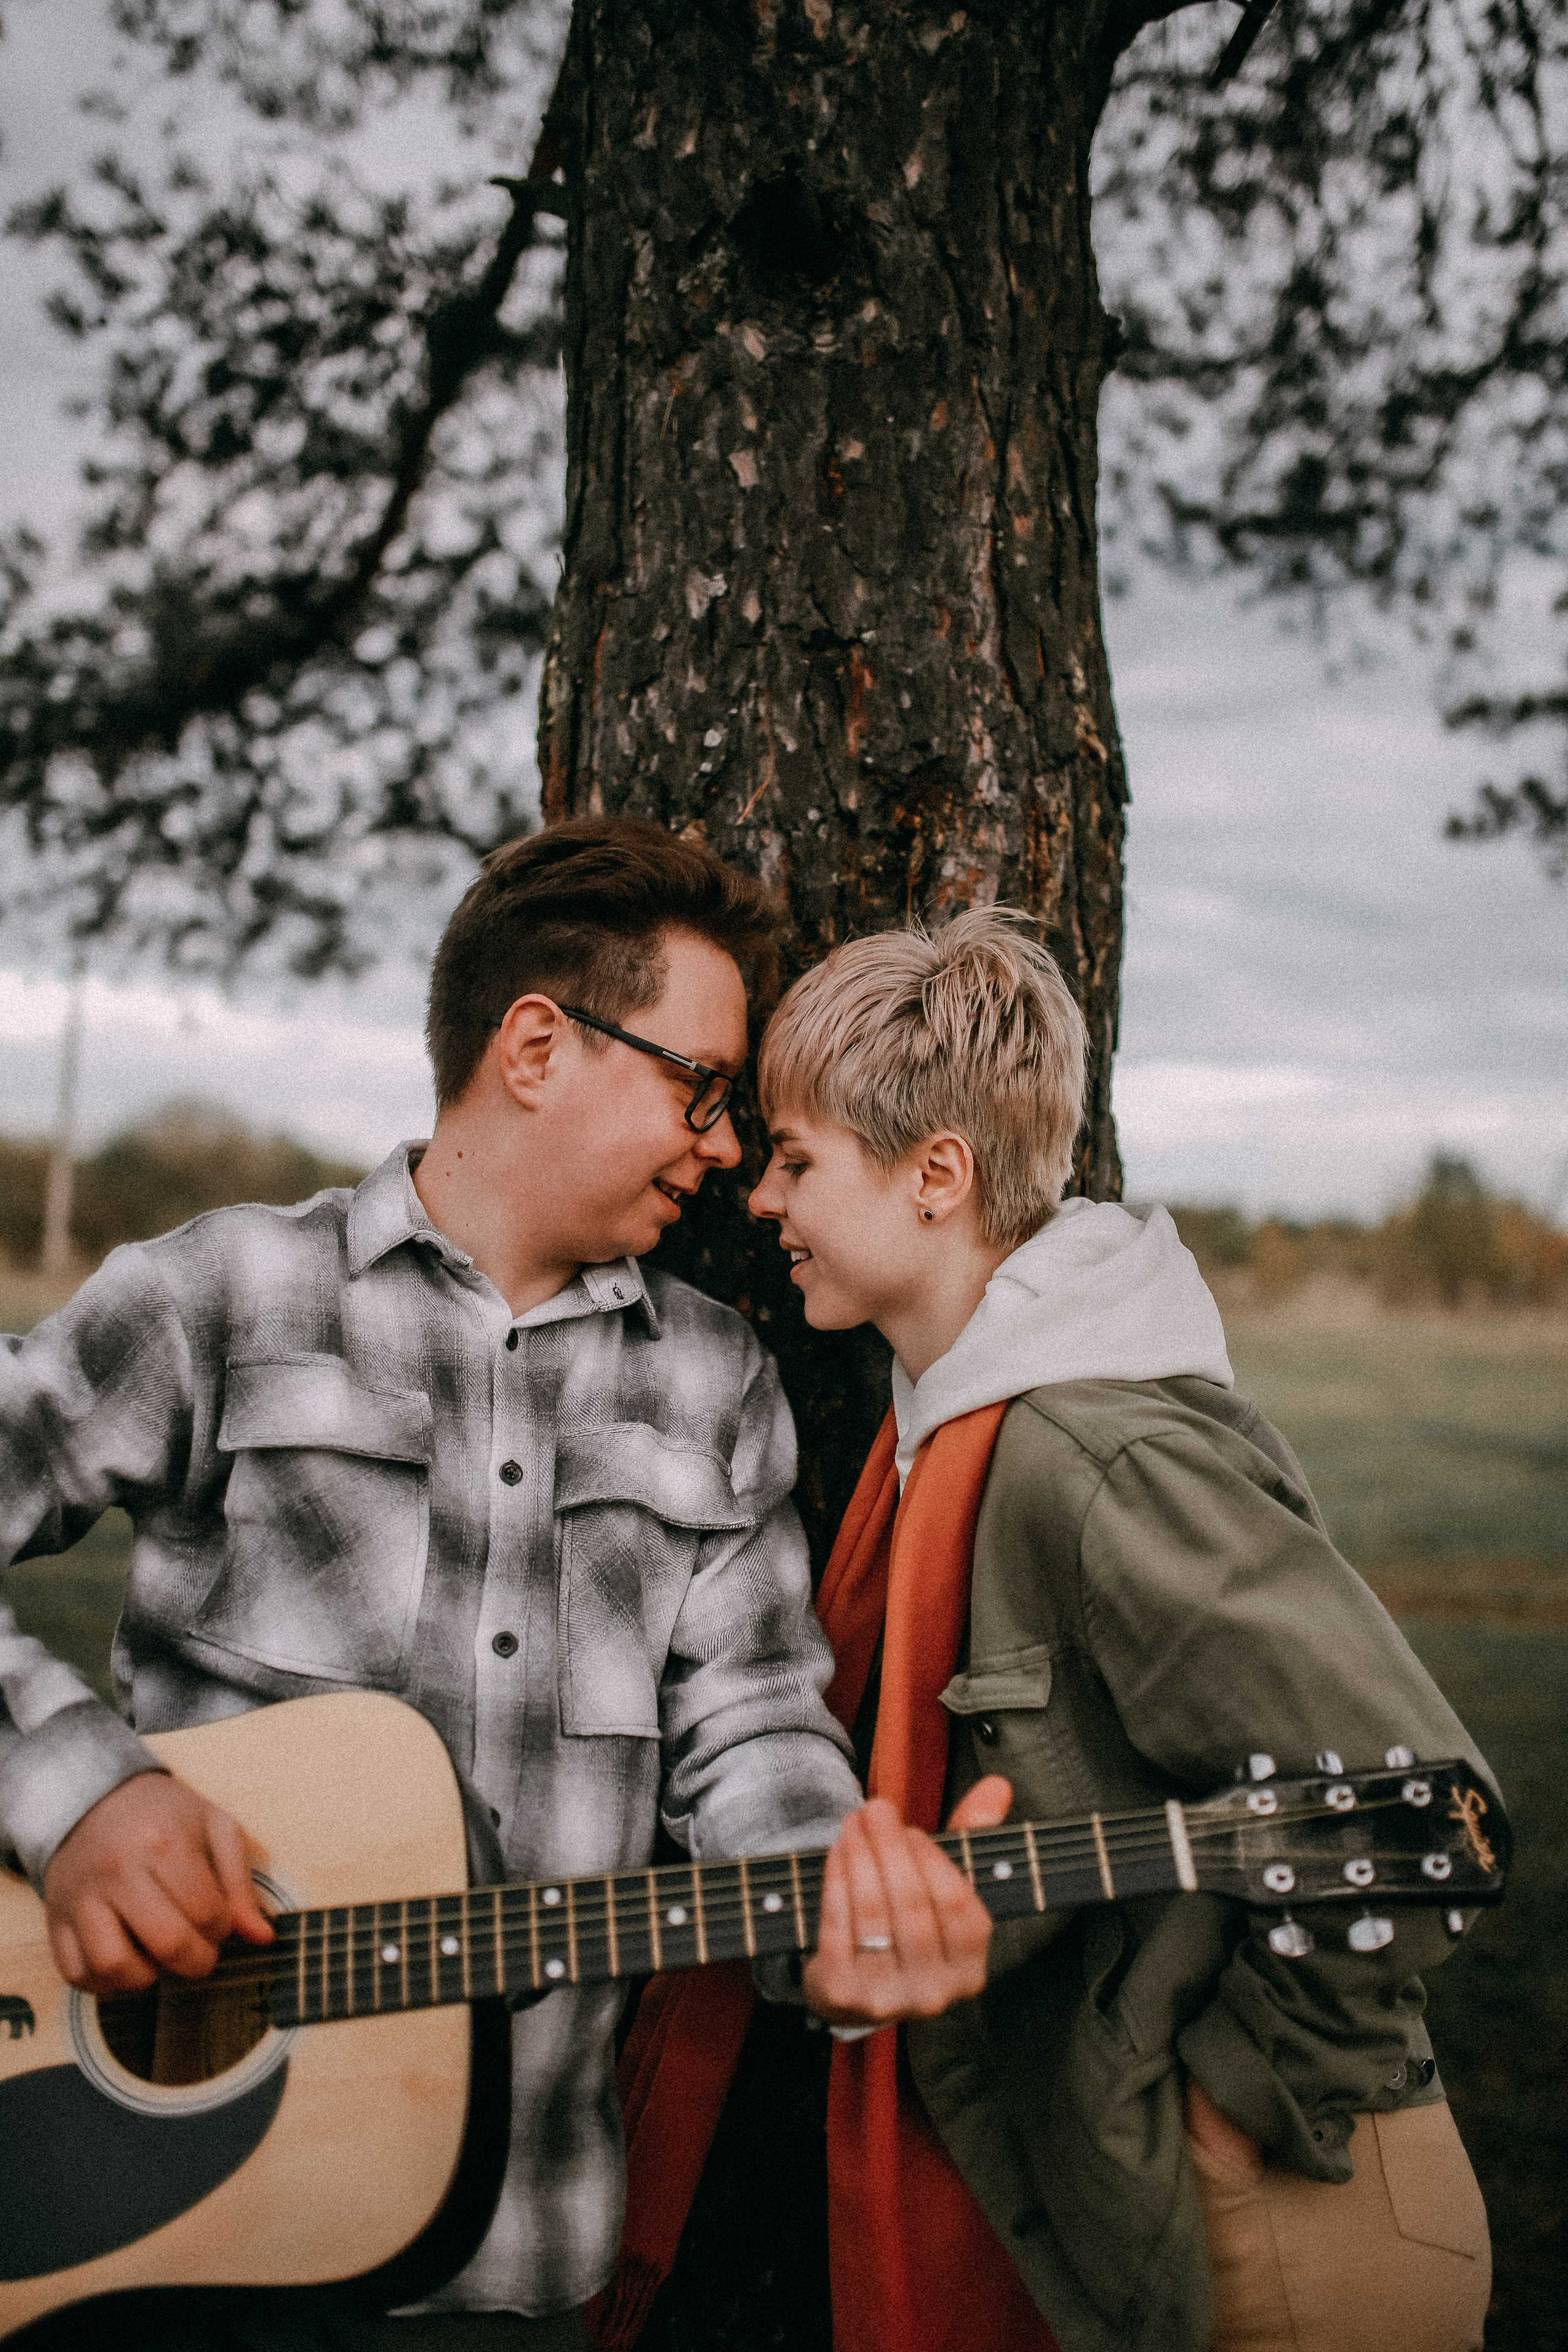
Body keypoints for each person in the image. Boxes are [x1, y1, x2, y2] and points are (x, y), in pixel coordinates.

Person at [0, 818, 998, 2352]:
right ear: (537, 1044)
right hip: (159, 2248)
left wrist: (837, 1912)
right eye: (700, 1088)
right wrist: (75, 1796)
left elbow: (755, 1734)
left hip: (521, 2267)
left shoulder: (715, 1384)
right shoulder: (220, 1297)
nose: (724, 1146)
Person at [736, 907, 1491, 2352]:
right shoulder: (955, 1432)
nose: (763, 1203)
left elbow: (1415, 1799)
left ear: (934, 1178)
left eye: (795, 1161)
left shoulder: (1092, 1455)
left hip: (1288, 2211)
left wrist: (1232, 2112)